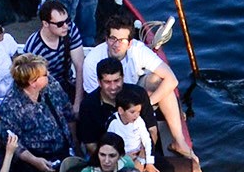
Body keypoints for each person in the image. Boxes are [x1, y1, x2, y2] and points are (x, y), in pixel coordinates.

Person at [80, 11, 195, 163]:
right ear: (106, 39)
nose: (116, 44)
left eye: (122, 40)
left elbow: (171, 80)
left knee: (159, 81)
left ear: (130, 42)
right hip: (110, 105)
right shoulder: (92, 62)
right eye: (113, 39)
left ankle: (179, 141)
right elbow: (95, 99)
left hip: (134, 95)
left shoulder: (138, 50)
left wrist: (144, 105)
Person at [0, 52, 75, 172]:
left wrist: (74, 143)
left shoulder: (51, 85)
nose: (48, 75)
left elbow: (67, 111)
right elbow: (13, 143)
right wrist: (35, 161)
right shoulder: (11, 107)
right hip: (34, 163)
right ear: (33, 83)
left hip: (63, 150)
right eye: (44, 74)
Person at [75, 56, 154, 155]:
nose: (113, 87)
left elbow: (152, 130)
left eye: (117, 81)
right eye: (107, 82)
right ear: (99, 82)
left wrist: (142, 159)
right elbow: (90, 144)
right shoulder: (88, 105)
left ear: (123, 78)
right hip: (107, 159)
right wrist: (118, 160)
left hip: (141, 154)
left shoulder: (138, 94)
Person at [22, 0, 84, 106]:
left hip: (68, 82)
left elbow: (80, 67)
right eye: (60, 24)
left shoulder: (70, 29)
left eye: (67, 20)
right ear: (45, 23)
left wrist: (77, 104)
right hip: (46, 91)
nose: (66, 26)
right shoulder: (34, 48)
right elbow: (31, 84)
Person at [107, 85, 162, 172]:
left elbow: (147, 140)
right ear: (121, 110)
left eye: (138, 112)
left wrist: (148, 162)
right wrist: (124, 157)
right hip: (122, 158)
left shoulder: (139, 121)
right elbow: (109, 145)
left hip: (140, 155)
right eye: (132, 112)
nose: (136, 115)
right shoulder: (113, 123)